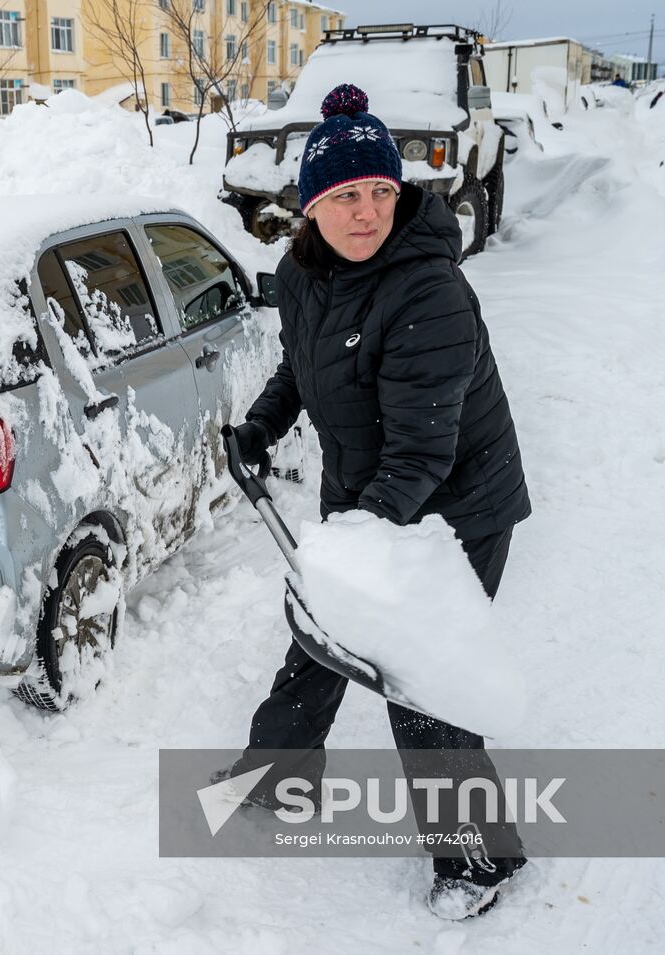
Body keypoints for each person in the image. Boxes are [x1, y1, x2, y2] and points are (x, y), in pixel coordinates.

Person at [223, 83, 532, 920]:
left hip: (455, 507)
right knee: (319, 635)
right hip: (370, 492)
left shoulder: (428, 292)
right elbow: (301, 365)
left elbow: (424, 448)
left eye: (382, 193)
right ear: (312, 205)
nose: (366, 213)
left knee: (417, 680)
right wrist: (260, 426)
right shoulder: (301, 274)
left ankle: (480, 857)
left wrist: (357, 542)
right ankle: (275, 780)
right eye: (346, 196)